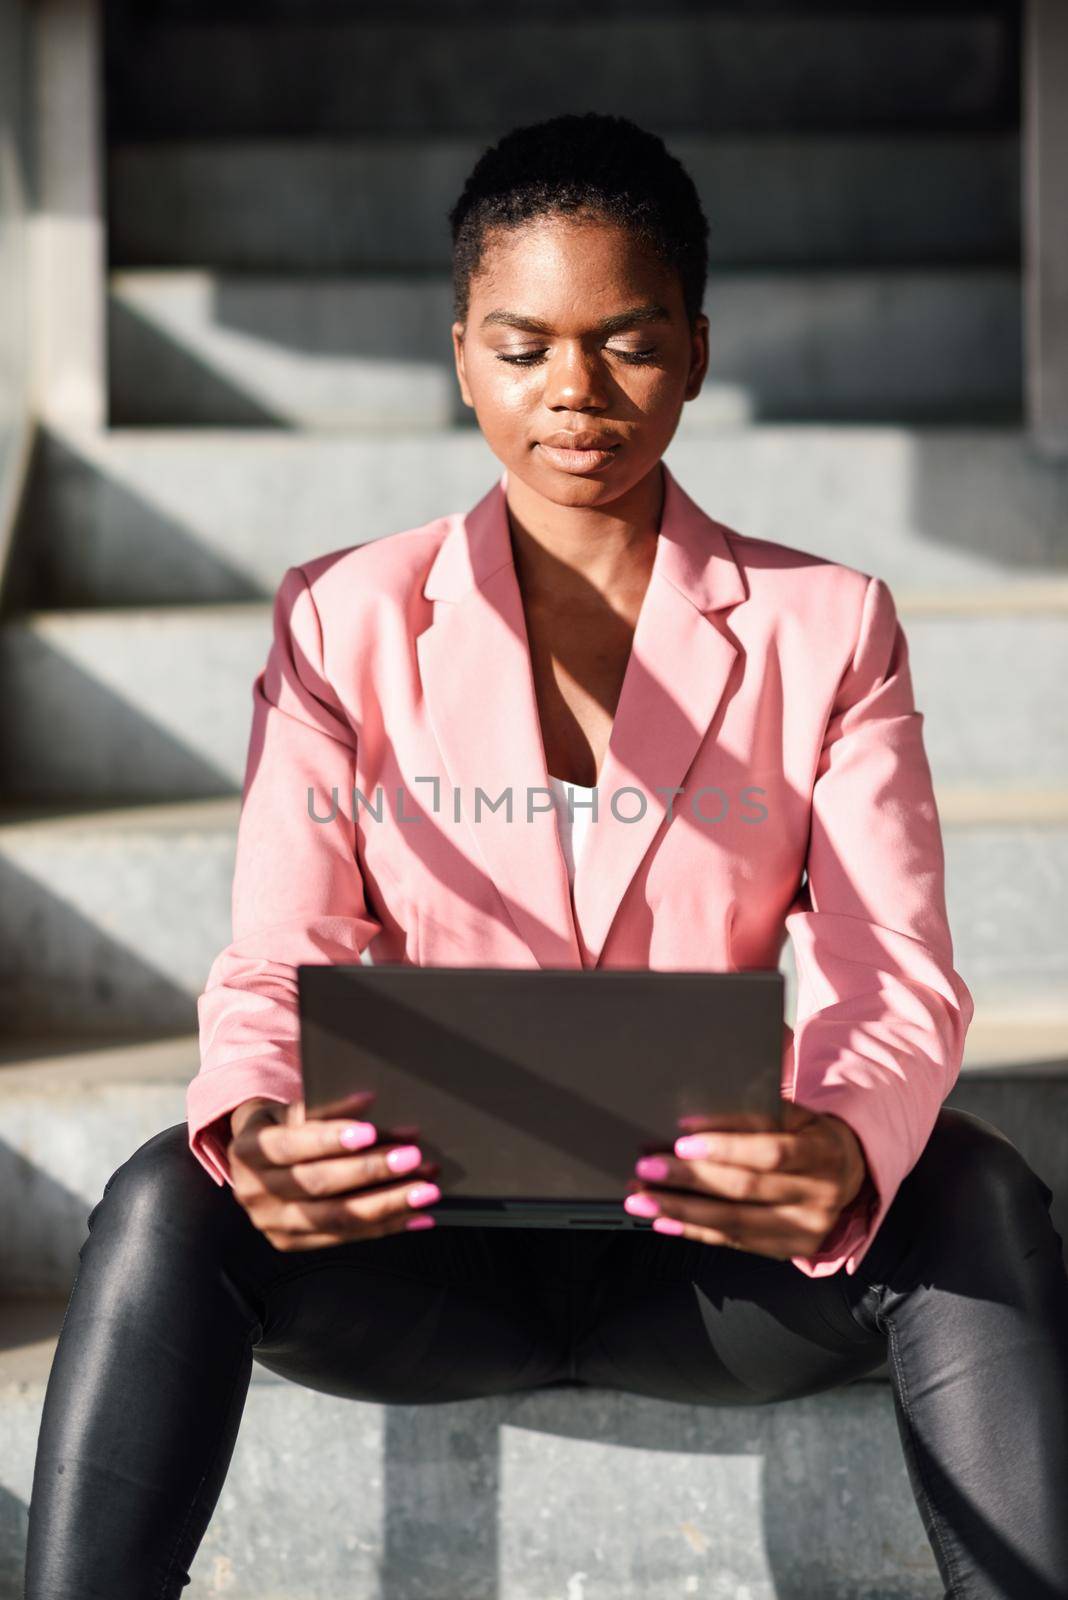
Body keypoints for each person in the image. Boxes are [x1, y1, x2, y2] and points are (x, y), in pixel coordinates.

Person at [24, 112, 1068, 1600]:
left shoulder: (826, 627)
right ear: (462, 356)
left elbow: (890, 965)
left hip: (711, 1258)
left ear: (697, 352)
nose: (574, 392)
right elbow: (281, 951)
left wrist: (836, 1150)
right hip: (425, 1244)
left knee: (976, 1193)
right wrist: (258, 1126)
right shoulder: (345, 620)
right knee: (164, 1194)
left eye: (628, 342)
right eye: (523, 347)